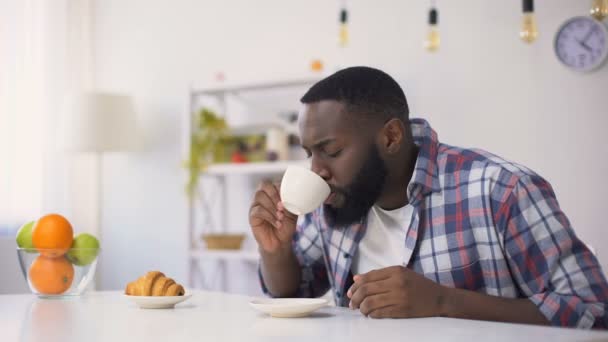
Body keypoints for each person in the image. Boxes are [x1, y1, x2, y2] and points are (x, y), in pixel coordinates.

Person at [248, 66, 608, 329]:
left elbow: (592, 309)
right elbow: (294, 291)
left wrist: (443, 301)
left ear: (390, 137)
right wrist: (275, 250)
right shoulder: (340, 198)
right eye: (311, 153)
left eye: (331, 150)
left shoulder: (500, 189)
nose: (317, 169)